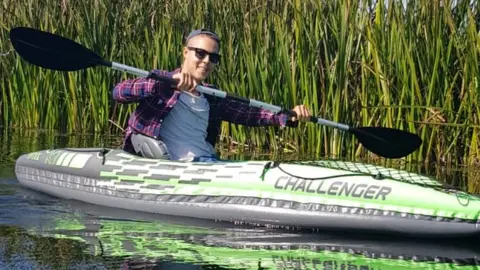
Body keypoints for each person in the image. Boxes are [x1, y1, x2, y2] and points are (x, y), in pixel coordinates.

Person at [113, 29, 311, 162]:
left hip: (207, 161)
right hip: (175, 166)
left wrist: (288, 115)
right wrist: (165, 83)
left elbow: (250, 114)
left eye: (213, 57)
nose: (206, 61)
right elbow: (119, 92)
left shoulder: (212, 96)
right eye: (200, 53)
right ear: (185, 52)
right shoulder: (160, 82)